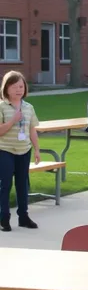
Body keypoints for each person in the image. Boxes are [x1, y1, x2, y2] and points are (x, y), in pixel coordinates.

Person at [0, 71, 39, 231]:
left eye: (21, 86)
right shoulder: (2, 106)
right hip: (5, 150)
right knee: (6, 183)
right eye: (15, 86)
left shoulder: (28, 108)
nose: (18, 90)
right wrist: (12, 121)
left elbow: (32, 130)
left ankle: (23, 216)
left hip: (24, 150)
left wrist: (37, 149)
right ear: (6, 88)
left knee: (23, 184)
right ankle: (4, 218)